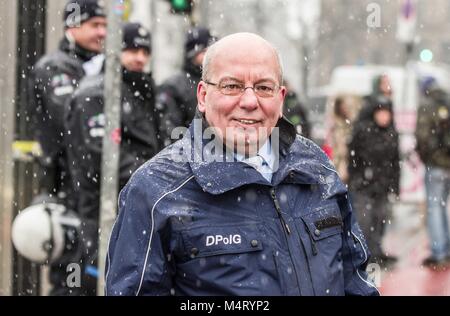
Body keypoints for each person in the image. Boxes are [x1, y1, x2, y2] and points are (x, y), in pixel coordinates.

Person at [105, 32, 378, 296]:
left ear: (281, 98)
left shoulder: (316, 167)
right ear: (202, 96)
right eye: (231, 86)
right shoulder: (154, 190)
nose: (249, 101)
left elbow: (355, 280)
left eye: (263, 87)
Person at [65, 22, 160, 295]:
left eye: (145, 51)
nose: (140, 57)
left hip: (131, 212)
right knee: (93, 283)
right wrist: (157, 180)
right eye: (132, 49)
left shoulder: (140, 91)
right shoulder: (96, 93)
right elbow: (103, 158)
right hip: (101, 214)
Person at [27, 0, 107, 296]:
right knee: (72, 277)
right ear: (73, 26)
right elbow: (73, 122)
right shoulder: (55, 67)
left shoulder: (102, 66)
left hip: (91, 190)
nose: (102, 33)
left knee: (93, 271)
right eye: (95, 25)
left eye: (106, 26)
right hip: (68, 189)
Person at [348, 95, 400, 267]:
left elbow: (395, 162)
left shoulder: (392, 133)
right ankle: (364, 255)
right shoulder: (363, 131)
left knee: (380, 219)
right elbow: (353, 158)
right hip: (364, 186)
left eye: (387, 114)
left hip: (382, 186)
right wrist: (359, 178)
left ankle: (376, 252)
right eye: (381, 113)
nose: (384, 117)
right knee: (365, 221)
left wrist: (395, 186)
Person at [156, 26, 216, 146]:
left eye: (214, 52)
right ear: (192, 54)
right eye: (205, 51)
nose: (211, 57)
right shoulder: (173, 86)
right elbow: (170, 133)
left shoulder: (221, 84)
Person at [416, 78, 450, 269]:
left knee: (435, 207)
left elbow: (422, 136)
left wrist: (427, 156)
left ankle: (439, 252)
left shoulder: (427, 105)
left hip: (436, 165)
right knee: (444, 207)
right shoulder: (447, 100)